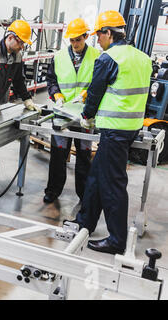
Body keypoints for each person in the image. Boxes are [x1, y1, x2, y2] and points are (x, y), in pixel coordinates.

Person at [67, 11, 152, 255]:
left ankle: (117, 240)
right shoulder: (143, 58)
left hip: (114, 129)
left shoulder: (109, 58)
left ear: (108, 33)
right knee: (96, 176)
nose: (97, 41)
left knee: (113, 184)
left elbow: (95, 92)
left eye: (99, 35)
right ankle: (85, 223)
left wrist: (86, 116)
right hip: (131, 126)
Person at [44, 18, 100, 204]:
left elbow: (100, 81)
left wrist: (87, 93)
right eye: (72, 40)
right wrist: (57, 95)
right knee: (58, 154)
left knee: (84, 156)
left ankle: (84, 195)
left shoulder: (97, 56)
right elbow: (51, 80)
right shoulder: (59, 56)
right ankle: (53, 191)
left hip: (86, 115)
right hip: (62, 114)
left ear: (86, 36)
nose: (75, 44)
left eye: (78, 39)